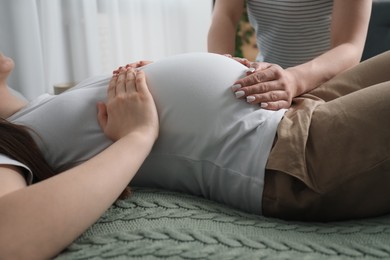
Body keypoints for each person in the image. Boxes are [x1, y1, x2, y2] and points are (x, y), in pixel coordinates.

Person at [1, 50, 390, 257]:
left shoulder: (29, 111)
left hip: (294, 109)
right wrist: (138, 136)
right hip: (290, 154)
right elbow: (11, 239)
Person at [0, 51, 159, 259]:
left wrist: (145, 77)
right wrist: (138, 136)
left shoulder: (26, 114)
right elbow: (10, 235)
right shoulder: (6, 144)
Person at [208, 0, 372, 110]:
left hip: (331, 88)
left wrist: (294, 80)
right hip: (269, 81)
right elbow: (225, 17)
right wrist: (224, 68)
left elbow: (349, 45)